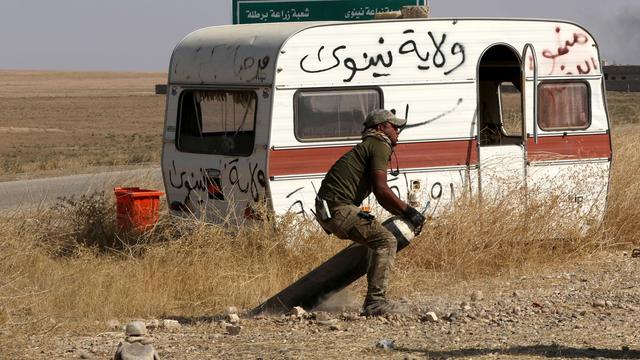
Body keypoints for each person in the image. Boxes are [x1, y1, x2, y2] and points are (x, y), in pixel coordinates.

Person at [315, 109, 426, 316]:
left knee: (375, 240)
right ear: (380, 127)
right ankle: (375, 302)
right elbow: (382, 191)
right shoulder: (379, 144)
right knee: (386, 240)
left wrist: (404, 212)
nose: (398, 130)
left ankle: (324, 296)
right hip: (339, 209)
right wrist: (410, 211)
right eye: (394, 126)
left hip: (330, 210)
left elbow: (380, 194)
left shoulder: (370, 145)